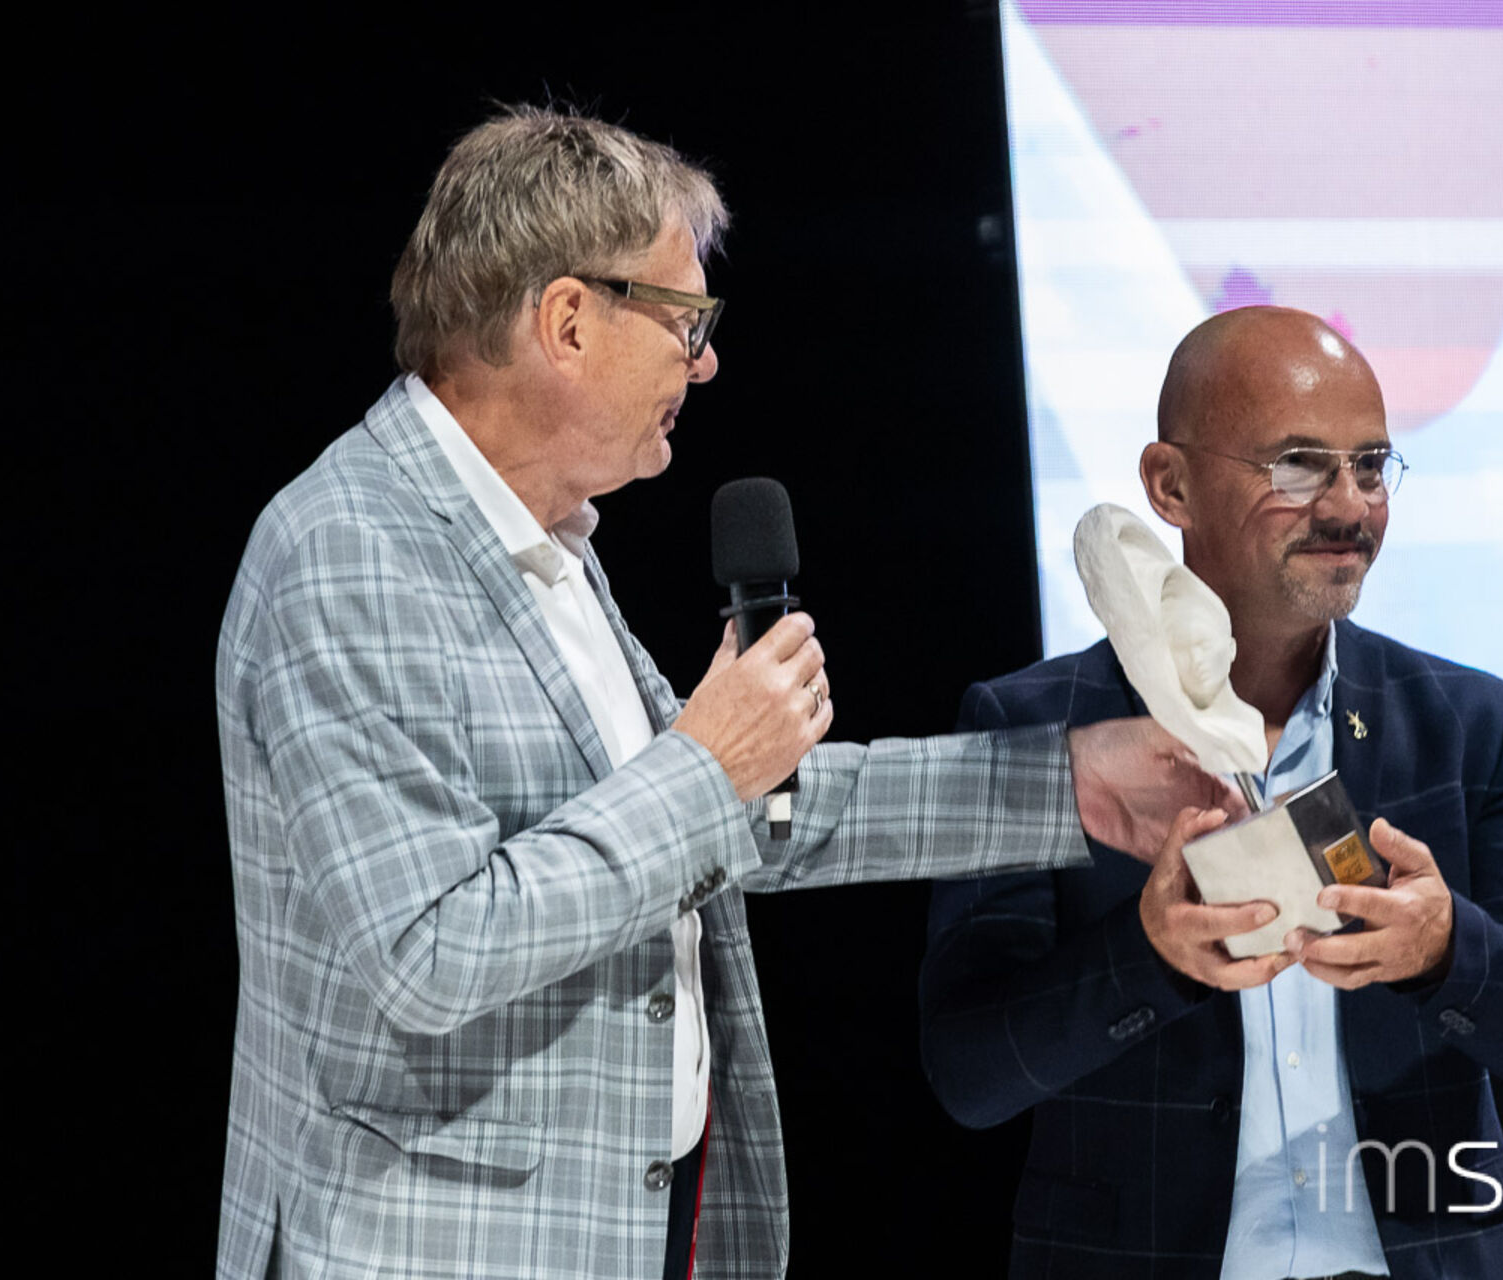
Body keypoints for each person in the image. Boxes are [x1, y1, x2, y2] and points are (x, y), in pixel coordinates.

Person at [215, 106, 1235, 1280]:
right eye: (685, 321)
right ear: (567, 321)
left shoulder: (545, 545)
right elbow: (427, 951)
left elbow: (741, 815)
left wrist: (1070, 783)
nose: (704, 362)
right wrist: (704, 763)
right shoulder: (349, 552)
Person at [920, 306, 1503, 1279]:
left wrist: (1446, 947)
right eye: (1298, 467)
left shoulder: (1469, 723)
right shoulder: (1037, 728)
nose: (1349, 507)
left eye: (1371, 466)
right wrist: (1147, 955)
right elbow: (971, 1073)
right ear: (1171, 484)